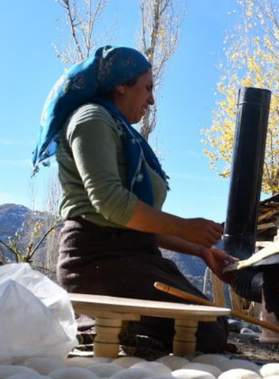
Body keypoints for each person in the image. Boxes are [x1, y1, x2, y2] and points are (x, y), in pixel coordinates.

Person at [32, 45, 236, 353]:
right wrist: (183, 227)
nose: (152, 99)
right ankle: (95, 327)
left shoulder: (121, 130)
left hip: (133, 256)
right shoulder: (91, 119)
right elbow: (110, 203)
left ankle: (120, 330)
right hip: (96, 261)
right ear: (121, 84)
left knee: (214, 325)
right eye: (148, 88)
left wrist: (200, 250)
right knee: (203, 334)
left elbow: (138, 222)